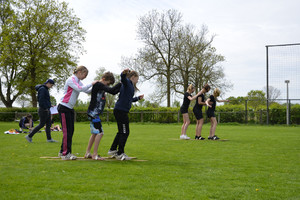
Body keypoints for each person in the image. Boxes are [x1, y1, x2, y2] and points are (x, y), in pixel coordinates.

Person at [58, 66, 97, 160]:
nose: (85, 77)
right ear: (79, 72)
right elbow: (80, 89)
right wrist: (92, 83)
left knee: (70, 131)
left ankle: (62, 151)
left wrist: (97, 87)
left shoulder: (78, 81)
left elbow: (86, 90)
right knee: (67, 132)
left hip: (70, 108)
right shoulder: (71, 80)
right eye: (84, 74)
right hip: (64, 107)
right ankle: (65, 154)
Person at [108, 69, 144, 161]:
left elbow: (129, 99)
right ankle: (120, 153)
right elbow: (123, 78)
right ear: (133, 77)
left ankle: (112, 150)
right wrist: (123, 73)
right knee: (125, 132)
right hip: (121, 111)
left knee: (121, 132)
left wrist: (137, 98)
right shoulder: (127, 82)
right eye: (137, 79)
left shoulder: (130, 86)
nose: (137, 81)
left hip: (120, 110)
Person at [85, 72, 121, 160]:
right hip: (93, 113)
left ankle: (87, 153)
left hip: (93, 113)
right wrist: (121, 83)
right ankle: (94, 154)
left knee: (94, 133)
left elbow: (114, 92)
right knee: (100, 133)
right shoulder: (98, 84)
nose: (107, 86)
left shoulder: (101, 86)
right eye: (108, 83)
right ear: (104, 79)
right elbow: (112, 90)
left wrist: (122, 85)